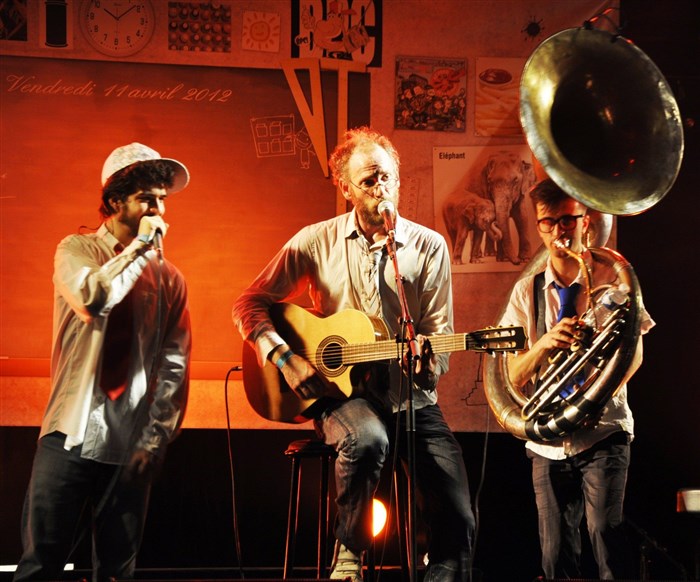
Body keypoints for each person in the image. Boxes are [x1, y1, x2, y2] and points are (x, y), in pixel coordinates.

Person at [232, 127, 475, 581]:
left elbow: (439, 334)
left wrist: (429, 363)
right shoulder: (314, 241)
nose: (381, 189)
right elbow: (248, 303)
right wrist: (285, 358)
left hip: (412, 400)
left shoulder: (429, 247)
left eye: (387, 178)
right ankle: (348, 555)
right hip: (343, 396)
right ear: (345, 188)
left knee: (459, 518)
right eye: (368, 180)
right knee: (367, 439)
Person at [14, 143, 192, 582]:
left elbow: (174, 363)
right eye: (147, 199)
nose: (158, 210)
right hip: (69, 436)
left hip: (130, 444)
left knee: (116, 571)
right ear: (115, 202)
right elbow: (92, 299)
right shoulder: (76, 249)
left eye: (162, 200)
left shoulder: (170, 279)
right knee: (41, 565)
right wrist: (140, 248)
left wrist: (155, 439)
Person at [499, 178, 654, 580]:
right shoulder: (525, 292)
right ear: (538, 226)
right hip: (547, 442)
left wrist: (592, 399)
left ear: (586, 221)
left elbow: (633, 355)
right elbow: (512, 376)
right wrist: (544, 344)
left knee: (606, 538)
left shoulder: (614, 281)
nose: (559, 232)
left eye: (568, 220)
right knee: (554, 557)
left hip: (603, 431)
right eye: (548, 222)